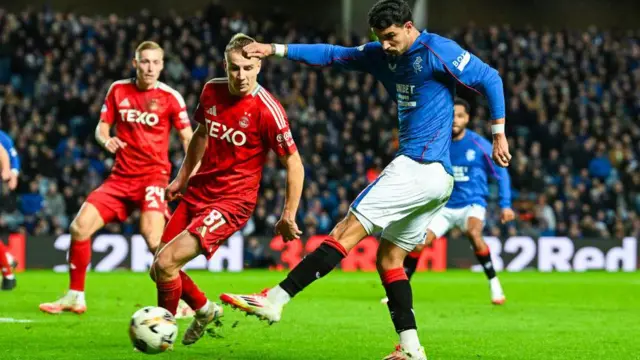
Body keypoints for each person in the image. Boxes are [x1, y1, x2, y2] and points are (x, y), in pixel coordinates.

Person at [219, 1, 510, 358]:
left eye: (390, 37)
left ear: (408, 26)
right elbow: (331, 54)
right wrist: (273, 50)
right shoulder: (380, 54)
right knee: (390, 260)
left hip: (418, 167)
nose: (385, 45)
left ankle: (275, 299)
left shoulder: (436, 48)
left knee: (345, 230)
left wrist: (499, 134)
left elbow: (490, 78)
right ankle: (412, 350)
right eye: (379, 38)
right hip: (436, 181)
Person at [150, 33, 304, 346]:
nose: (241, 75)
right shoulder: (211, 90)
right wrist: (182, 177)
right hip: (198, 191)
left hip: (232, 202)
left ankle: (162, 334)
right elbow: (200, 134)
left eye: (248, 67)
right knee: (159, 268)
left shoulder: (267, 110)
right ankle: (205, 310)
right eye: (235, 67)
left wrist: (289, 214)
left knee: (167, 264)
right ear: (225, 65)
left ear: (259, 65)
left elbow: (295, 164)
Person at [39, 41, 195, 315]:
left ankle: (186, 301)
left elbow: (188, 138)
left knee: (153, 238)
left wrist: (189, 175)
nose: (150, 67)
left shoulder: (171, 97)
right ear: (135, 63)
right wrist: (105, 140)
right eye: (144, 61)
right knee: (79, 228)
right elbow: (101, 127)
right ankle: (75, 296)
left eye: (155, 62)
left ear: (162, 65)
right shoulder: (118, 90)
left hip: (154, 177)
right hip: (121, 178)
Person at [384, 98, 515, 306]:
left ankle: (494, 283)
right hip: (443, 207)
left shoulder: (479, 145)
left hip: (471, 203)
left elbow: (501, 172)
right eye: (452, 115)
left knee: (473, 233)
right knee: (418, 244)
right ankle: (401, 289)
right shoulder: (437, 143)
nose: (455, 120)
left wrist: (505, 204)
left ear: (468, 119)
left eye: (460, 116)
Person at [0, 137, 18, 290]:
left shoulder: (4, 138)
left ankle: (7, 272)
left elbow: (4, 153)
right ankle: (7, 265)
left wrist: (9, 171)